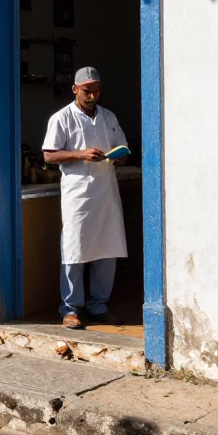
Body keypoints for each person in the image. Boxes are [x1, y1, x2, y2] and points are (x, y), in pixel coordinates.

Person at [41, 66, 128, 330]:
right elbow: (48, 155)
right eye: (87, 91)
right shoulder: (62, 118)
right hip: (78, 194)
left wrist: (119, 156)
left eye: (96, 90)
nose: (92, 96)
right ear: (75, 89)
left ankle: (98, 305)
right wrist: (80, 154)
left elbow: (123, 150)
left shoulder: (108, 117)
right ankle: (70, 308)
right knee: (75, 248)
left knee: (107, 248)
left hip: (105, 192)